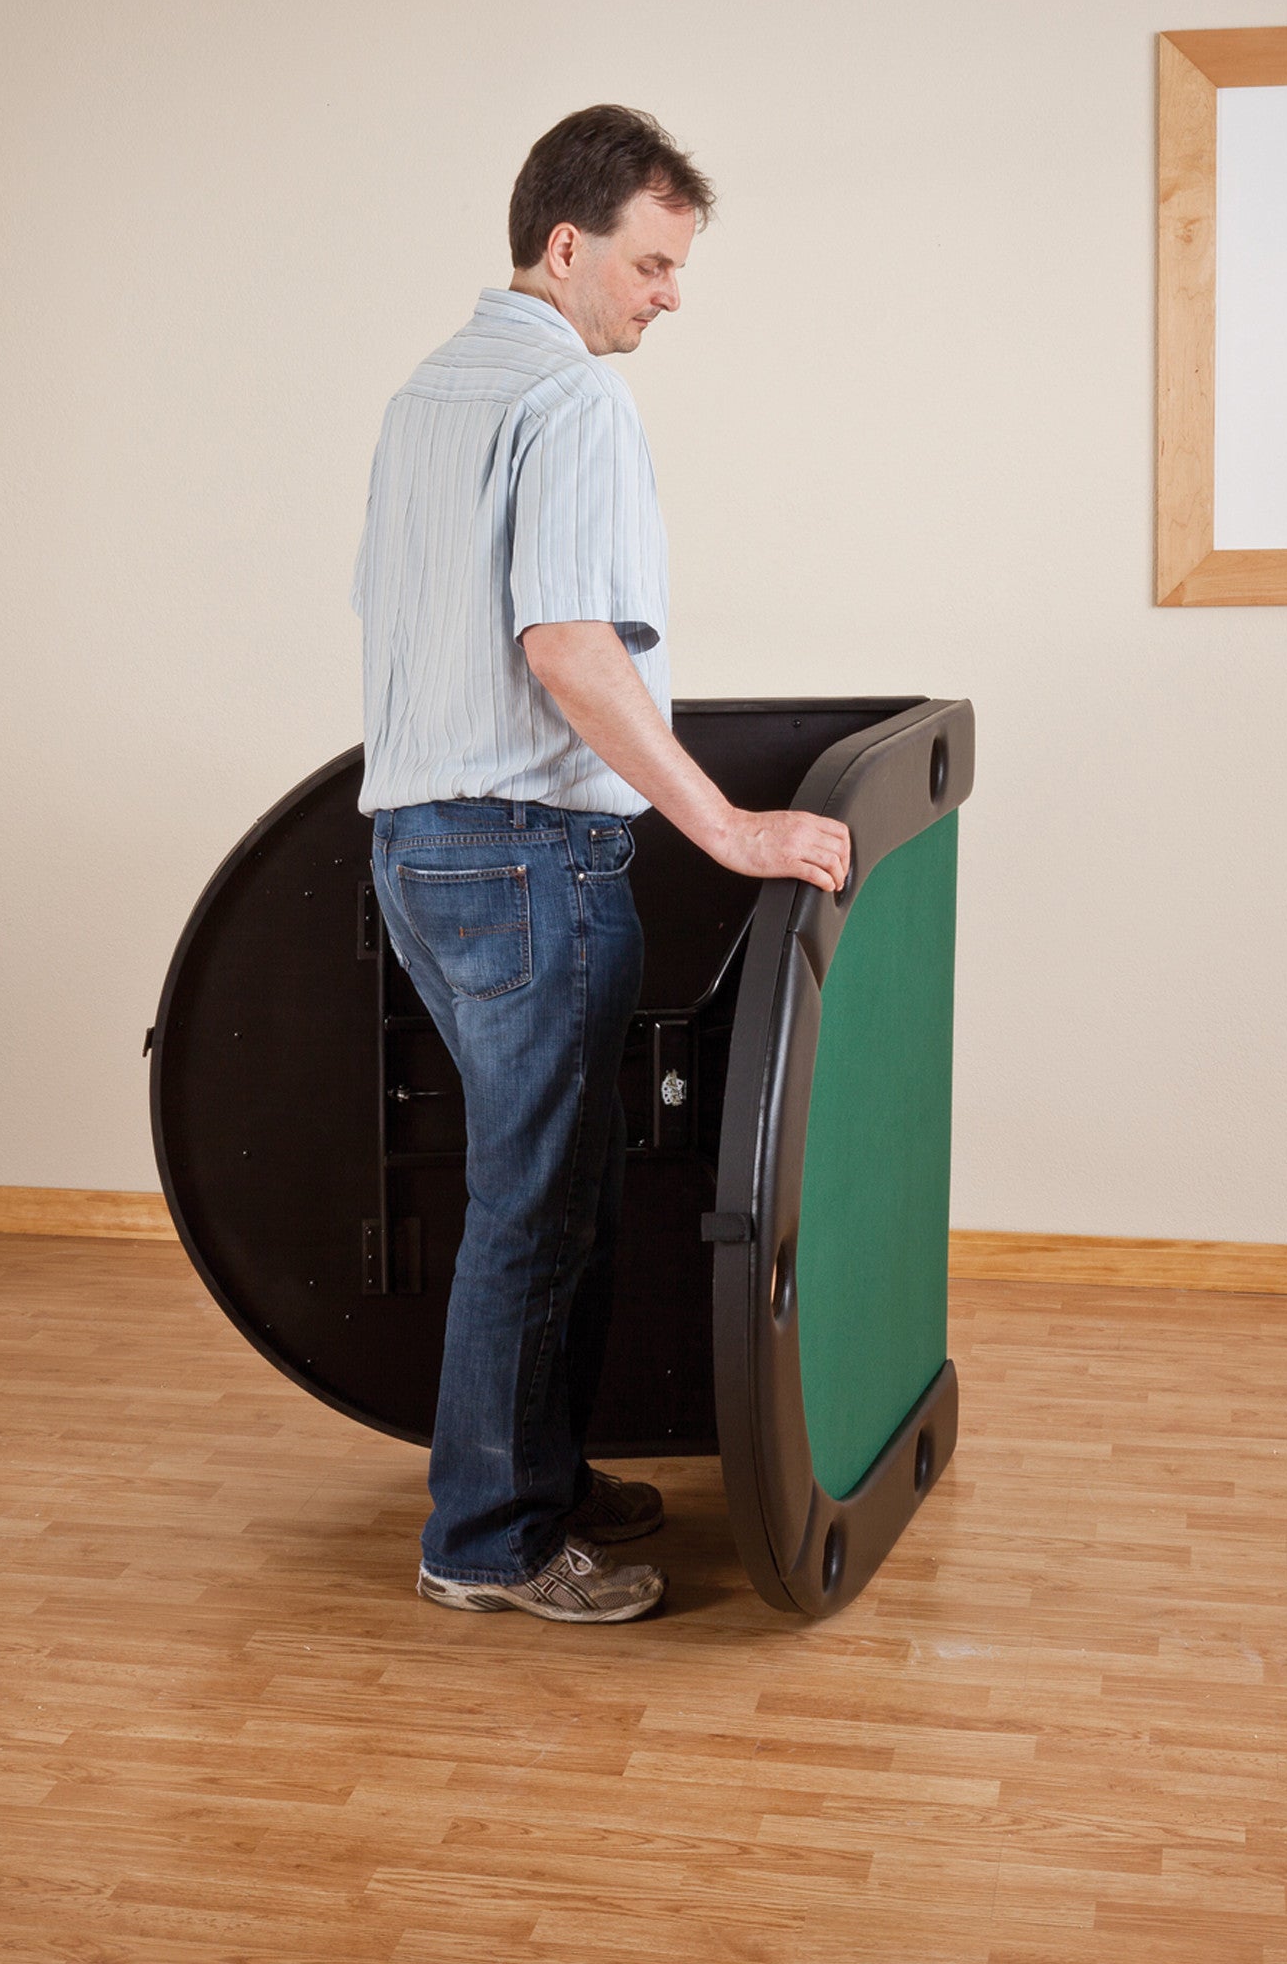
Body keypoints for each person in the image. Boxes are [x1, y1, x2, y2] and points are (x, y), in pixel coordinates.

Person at [352, 106, 850, 1624]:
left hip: (418, 848)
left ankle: (539, 1478)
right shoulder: (572, 400)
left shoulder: (428, 392)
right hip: (522, 856)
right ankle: (488, 1539)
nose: (670, 296)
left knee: (547, 1191)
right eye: (651, 264)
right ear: (565, 247)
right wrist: (733, 831)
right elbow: (569, 648)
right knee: (539, 1205)